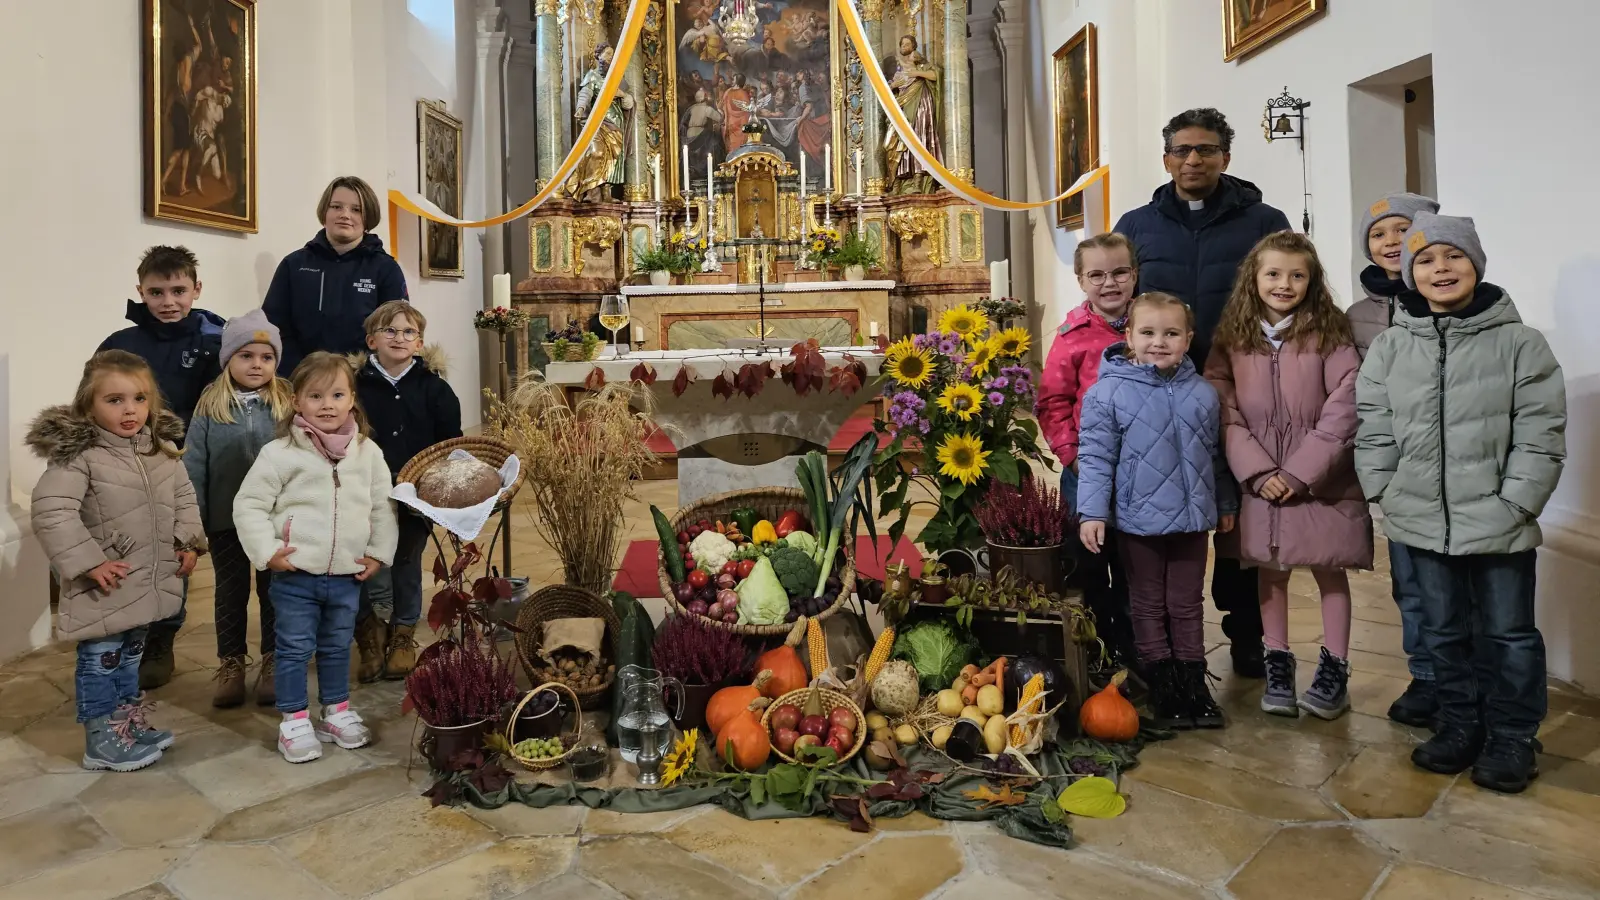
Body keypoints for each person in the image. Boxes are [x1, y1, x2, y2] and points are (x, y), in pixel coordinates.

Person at [1356, 213, 1565, 793]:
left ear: (1476, 264)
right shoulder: (1393, 347)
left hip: (1499, 519)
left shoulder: (1521, 344)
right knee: (1441, 630)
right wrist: (1384, 490)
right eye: (1424, 260)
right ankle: (1459, 722)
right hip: (1419, 518)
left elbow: (1540, 432)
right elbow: (1373, 428)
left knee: (1508, 633)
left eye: (1453, 256)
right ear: (1407, 274)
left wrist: (1516, 504)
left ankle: (1513, 734)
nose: (1440, 268)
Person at [1113, 107, 1292, 679]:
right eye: (1183, 151)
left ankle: (1245, 634)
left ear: (1226, 158)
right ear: (1165, 159)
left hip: (1241, 386)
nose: (1194, 160)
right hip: (1155, 391)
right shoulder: (1137, 225)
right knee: (1161, 508)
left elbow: (1287, 291)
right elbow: (1118, 298)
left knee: (1237, 510)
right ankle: (1155, 641)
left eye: (1206, 150)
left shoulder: (1265, 219)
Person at [1205, 231, 1372, 720]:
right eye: (1273, 274)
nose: (1285, 284)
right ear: (1253, 279)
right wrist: (1257, 471)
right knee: (1270, 571)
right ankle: (1277, 661)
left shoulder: (1330, 333)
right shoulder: (1233, 337)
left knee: (1330, 568)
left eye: (1297, 275)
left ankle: (1335, 668)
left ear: (1312, 281)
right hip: (1259, 480)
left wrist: (1300, 472)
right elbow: (1223, 406)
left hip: (1323, 479)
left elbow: (1347, 403)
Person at [28, 351, 205, 771]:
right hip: (106, 583)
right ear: (88, 404)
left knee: (130, 656)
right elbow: (52, 511)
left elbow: (184, 497)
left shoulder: (158, 450)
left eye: (139, 399)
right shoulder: (80, 455)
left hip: (147, 579)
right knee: (101, 660)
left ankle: (126, 725)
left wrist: (188, 542)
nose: (130, 410)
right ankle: (100, 740)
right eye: (114, 400)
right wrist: (90, 562)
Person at [1076, 293, 1237, 730]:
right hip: (1137, 521)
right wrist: (1091, 513)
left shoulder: (1202, 393)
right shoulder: (1106, 393)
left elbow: (1216, 456)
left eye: (1171, 333)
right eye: (1147, 333)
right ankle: (1163, 682)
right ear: (1128, 336)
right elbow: (1094, 457)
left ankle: (1193, 681)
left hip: (1192, 519)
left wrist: (1224, 502)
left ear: (1188, 339)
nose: (1158, 342)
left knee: (1186, 602)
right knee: (1147, 604)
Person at [233, 353, 398, 763]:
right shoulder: (279, 453)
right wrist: (268, 551)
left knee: (337, 645)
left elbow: (382, 506)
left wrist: (377, 551)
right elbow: (249, 505)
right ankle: (293, 720)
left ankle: (336, 712)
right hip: (296, 574)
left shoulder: (368, 453)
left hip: (346, 574)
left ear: (352, 399)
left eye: (337, 394)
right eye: (316, 395)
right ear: (296, 402)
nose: (327, 404)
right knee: (292, 648)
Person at [98, 245, 224, 690]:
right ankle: (129, 630)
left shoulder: (216, 338)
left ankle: (163, 638)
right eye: (156, 292)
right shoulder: (121, 344)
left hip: (186, 462)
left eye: (178, 290)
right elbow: (95, 398)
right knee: (131, 545)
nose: (168, 301)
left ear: (196, 289)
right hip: (128, 462)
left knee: (175, 549)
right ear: (140, 291)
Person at [1347, 191, 1442, 728]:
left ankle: (1469, 679)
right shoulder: (1359, 315)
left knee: (1461, 584)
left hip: (1452, 459)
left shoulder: (1448, 297)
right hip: (1401, 469)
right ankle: (1426, 674)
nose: (1390, 242)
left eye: (1402, 230)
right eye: (1378, 234)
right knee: (1410, 579)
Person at [1035, 233, 1138, 666]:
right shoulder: (1072, 336)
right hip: (1086, 473)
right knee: (1088, 564)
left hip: (1143, 472)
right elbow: (1052, 401)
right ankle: (1095, 651)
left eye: (1119, 272)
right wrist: (1071, 456)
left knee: (1137, 568)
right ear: (1080, 280)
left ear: (1135, 275)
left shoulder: (1153, 325)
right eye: (1096, 274)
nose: (1109, 282)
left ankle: (1137, 652)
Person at [185, 310, 292, 709]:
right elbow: (194, 466)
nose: (256, 365)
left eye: (266, 357)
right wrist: (194, 521)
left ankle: (273, 660)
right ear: (228, 357)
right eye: (246, 356)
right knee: (229, 591)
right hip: (225, 521)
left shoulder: (287, 401)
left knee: (273, 591)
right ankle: (230, 663)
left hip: (274, 523)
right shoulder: (210, 406)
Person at [350, 302, 462, 683]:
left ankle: (402, 633)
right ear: (371, 340)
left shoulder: (435, 389)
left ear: (420, 342)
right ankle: (371, 631)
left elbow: (450, 446)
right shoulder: (353, 386)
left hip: (417, 492)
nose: (399, 338)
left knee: (407, 560)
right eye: (390, 331)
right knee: (368, 562)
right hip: (365, 491)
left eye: (408, 332)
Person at [263, 176, 408, 375]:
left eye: (356, 209)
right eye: (336, 207)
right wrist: (301, 372)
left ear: (368, 217)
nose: (345, 215)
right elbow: (274, 327)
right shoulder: (293, 265)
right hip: (300, 380)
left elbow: (395, 334)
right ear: (325, 212)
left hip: (364, 381)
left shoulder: (386, 269)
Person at [883, 35, 942, 194]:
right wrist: (894, 85)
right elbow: (890, 94)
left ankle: (918, 181)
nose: (905, 46)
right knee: (899, 145)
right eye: (902, 44)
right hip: (903, 113)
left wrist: (916, 73)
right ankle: (897, 183)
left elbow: (935, 76)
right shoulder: (898, 73)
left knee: (919, 141)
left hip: (919, 108)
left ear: (914, 47)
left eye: (908, 44)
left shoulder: (922, 67)